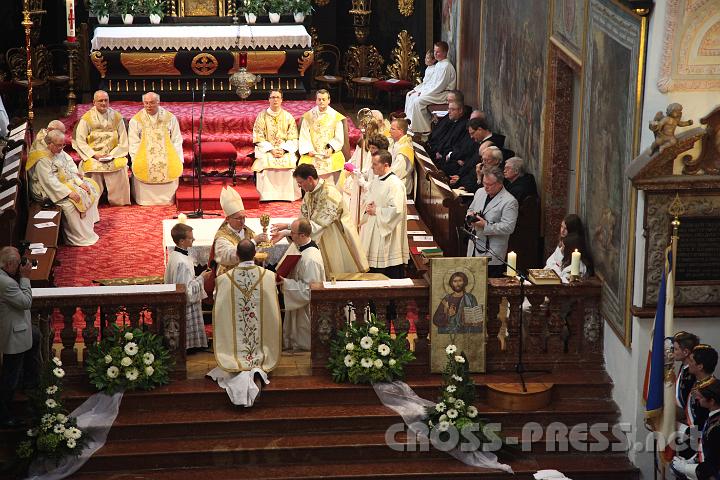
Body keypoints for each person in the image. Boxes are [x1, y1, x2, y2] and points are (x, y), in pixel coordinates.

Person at [209, 239, 281, 407]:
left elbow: (217, 302)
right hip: (261, 340)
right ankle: (256, 371)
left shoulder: (223, 279)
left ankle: (245, 371)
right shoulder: (269, 276)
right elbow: (273, 301)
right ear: (255, 254)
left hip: (234, 346)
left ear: (236, 255)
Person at [272, 164, 368, 276]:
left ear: (310, 179)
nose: (299, 186)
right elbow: (303, 221)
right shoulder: (309, 193)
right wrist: (288, 229)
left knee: (333, 276)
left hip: (332, 238)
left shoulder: (329, 193)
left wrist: (287, 230)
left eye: (300, 182)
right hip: (313, 235)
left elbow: (318, 225)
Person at [28, 130, 100, 246]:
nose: (62, 148)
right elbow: (49, 181)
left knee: (89, 189)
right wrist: (68, 193)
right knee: (70, 205)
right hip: (45, 190)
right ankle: (76, 238)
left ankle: (87, 230)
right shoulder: (42, 159)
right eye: (59, 145)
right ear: (49, 144)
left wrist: (78, 182)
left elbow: (67, 169)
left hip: (61, 182)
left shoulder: (57, 152)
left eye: (63, 144)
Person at [0, 247, 39, 427]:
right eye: (16, 265)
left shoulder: (4, 276)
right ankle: (4, 414)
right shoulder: (5, 283)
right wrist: (25, 277)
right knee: (10, 375)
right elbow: (26, 302)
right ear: (8, 264)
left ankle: (30, 383)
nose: (19, 267)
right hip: (13, 334)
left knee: (36, 336)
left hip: (18, 330)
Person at [72, 90, 131, 206]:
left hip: (113, 154)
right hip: (94, 155)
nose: (104, 103)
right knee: (93, 168)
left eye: (106, 100)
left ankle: (120, 201)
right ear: (94, 102)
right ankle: (93, 201)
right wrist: (94, 155)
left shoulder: (117, 117)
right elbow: (80, 140)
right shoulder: (86, 119)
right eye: (100, 101)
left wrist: (113, 154)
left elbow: (123, 139)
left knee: (119, 167)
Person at [277, 218, 326, 352]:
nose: (290, 235)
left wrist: (286, 283)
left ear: (302, 235)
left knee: (303, 337)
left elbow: (310, 291)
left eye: (292, 233)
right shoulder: (303, 248)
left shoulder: (311, 259)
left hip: (306, 311)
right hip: (298, 305)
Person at [359, 150, 409, 279]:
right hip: (374, 228)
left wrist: (377, 211)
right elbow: (371, 196)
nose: (372, 167)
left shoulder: (395, 184)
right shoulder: (377, 179)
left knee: (386, 268)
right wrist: (369, 206)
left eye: (375, 164)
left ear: (386, 165)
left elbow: (396, 210)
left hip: (386, 234)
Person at [128, 92, 183, 205]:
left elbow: (176, 139)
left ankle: (167, 199)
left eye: (152, 103)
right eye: (146, 103)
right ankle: (144, 200)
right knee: (143, 164)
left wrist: (178, 158)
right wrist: (135, 158)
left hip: (166, 152)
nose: (149, 106)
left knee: (167, 163)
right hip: (144, 153)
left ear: (158, 102)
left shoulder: (170, 118)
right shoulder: (136, 120)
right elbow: (133, 142)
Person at [165, 223, 211, 352]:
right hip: (185, 308)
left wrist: (197, 278)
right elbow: (186, 292)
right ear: (181, 241)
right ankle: (188, 347)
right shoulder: (181, 262)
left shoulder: (176, 255)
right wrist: (202, 278)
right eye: (190, 238)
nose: (194, 239)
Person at [466, 166, 519, 277]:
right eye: (484, 183)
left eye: (489, 185)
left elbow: (509, 227)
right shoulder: (480, 192)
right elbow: (471, 209)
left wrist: (485, 225)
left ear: (499, 184)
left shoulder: (509, 201)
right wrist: (470, 217)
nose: (486, 187)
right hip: (474, 246)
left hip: (492, 250)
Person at [252, 89, 300, 202]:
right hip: (267, 149)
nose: (275, 100)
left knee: (290, 162)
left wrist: (284, 149)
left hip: (284, 149)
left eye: (278, 97)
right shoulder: (261, 116)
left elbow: (293, 137)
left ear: (282, 100)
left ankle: (288, 195)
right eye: (273, 97)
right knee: (265, 162)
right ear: (268, 99)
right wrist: (271, 149)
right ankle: (267, 196)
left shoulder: (288, 117)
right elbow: (258, 136)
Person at [403, 41, 456, 135]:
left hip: (444, 94)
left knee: (418, 101)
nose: (435, 54)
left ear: (445, 53)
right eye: (435, 51)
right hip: (437, 92)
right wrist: (422, 90)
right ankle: (414, 124)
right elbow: (431, 83)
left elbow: (440, 86)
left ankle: (424, 129)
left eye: (438, 52)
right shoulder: (439, 64)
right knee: (415, 97)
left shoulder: (446, 66)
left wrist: (424, 93)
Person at [672, 377, 720, 480]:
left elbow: (711, 466)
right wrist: (694, 460)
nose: (697, 399)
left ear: (711, 401)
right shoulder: (713, 417)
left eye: (701, 397)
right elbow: (706, 449)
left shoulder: (716, 428)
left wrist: (686, 468)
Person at [298, 89, 346, 184]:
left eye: (324, 99)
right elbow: (304, 135)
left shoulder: (336, 117)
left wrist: (331, 149)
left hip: (329, 152)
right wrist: (309, 150)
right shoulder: (308, 116)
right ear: (315, 100)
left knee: (337, 163)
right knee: (306, 165)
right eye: (319, 99)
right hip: (312, 152)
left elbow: (339, 138)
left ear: (329, 100)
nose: (321, 102)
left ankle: (333, 193)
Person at [213, 186, 257, 276]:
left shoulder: (249, 232)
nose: (242, 221)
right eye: (238, 218)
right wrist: (254, 242)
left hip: (250, 275)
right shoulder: (222, 237)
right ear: (228, 219)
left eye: (244, 217)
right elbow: (228, 256)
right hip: (229, 276)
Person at [426, 100, 469, 169]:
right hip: (440, 153)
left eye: (452, 109)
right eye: (448, 109)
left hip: (448, 158)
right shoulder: (452, 120)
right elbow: (442, 138)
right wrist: (437, 151)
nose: (449, 111)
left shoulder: (463, 126)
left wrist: (442, 154)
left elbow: (456, 145)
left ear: (460, 110)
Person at [686, 345, 718, 432]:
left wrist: (678, 427)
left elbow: (701, 425)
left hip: (702, 440)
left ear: (700, 366)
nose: (688, 362)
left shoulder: (712, 391)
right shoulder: (695, 383)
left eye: (691, 360)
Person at [389, 118, 415, 196]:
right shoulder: (399, 142)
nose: (389, 131)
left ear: (400, 131)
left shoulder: (404, 149)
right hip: (395, 181)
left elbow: (397, 173)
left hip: (401, 185)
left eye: (392, 129)